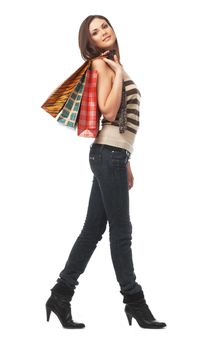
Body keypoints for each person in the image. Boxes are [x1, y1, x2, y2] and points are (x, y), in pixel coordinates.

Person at [45, 14, 167, 329]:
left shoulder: (112, 65)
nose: (103, 32)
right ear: (91, 44)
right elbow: (109, 112)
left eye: (104, 26)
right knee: (121, 232)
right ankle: (134, 301)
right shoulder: (103, 66)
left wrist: (126, 161)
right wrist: (119, 71)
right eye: (96, 33)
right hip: (108, 155)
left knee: (92, 231)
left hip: (112, 156)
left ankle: (61, 294)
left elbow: (121, 121)